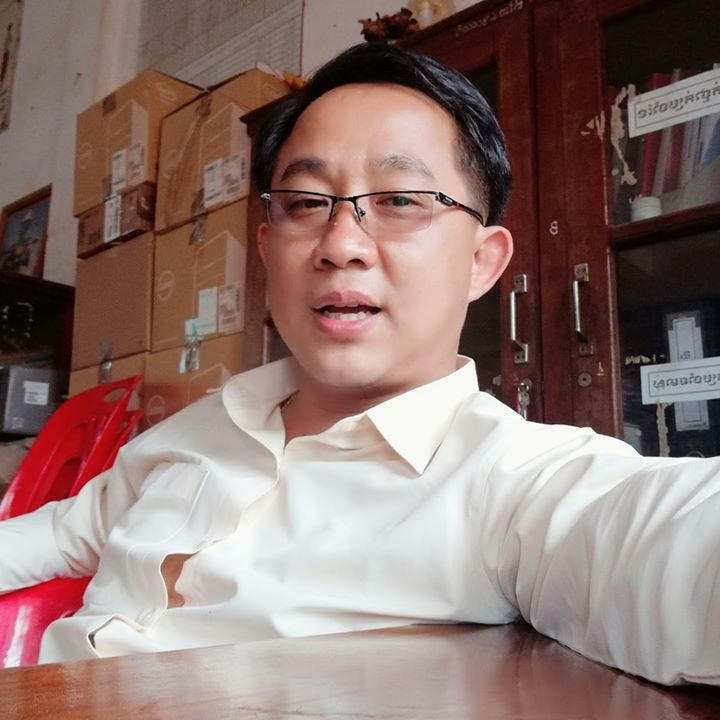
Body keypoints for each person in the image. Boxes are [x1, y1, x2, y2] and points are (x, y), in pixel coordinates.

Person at [1, 42, 719, 685]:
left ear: (481, 262)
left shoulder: (513, 484)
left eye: (401, 199)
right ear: (266, 251)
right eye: (305, 203)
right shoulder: (198, 430)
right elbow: (60, 534)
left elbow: (669, 546)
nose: (341, 243)